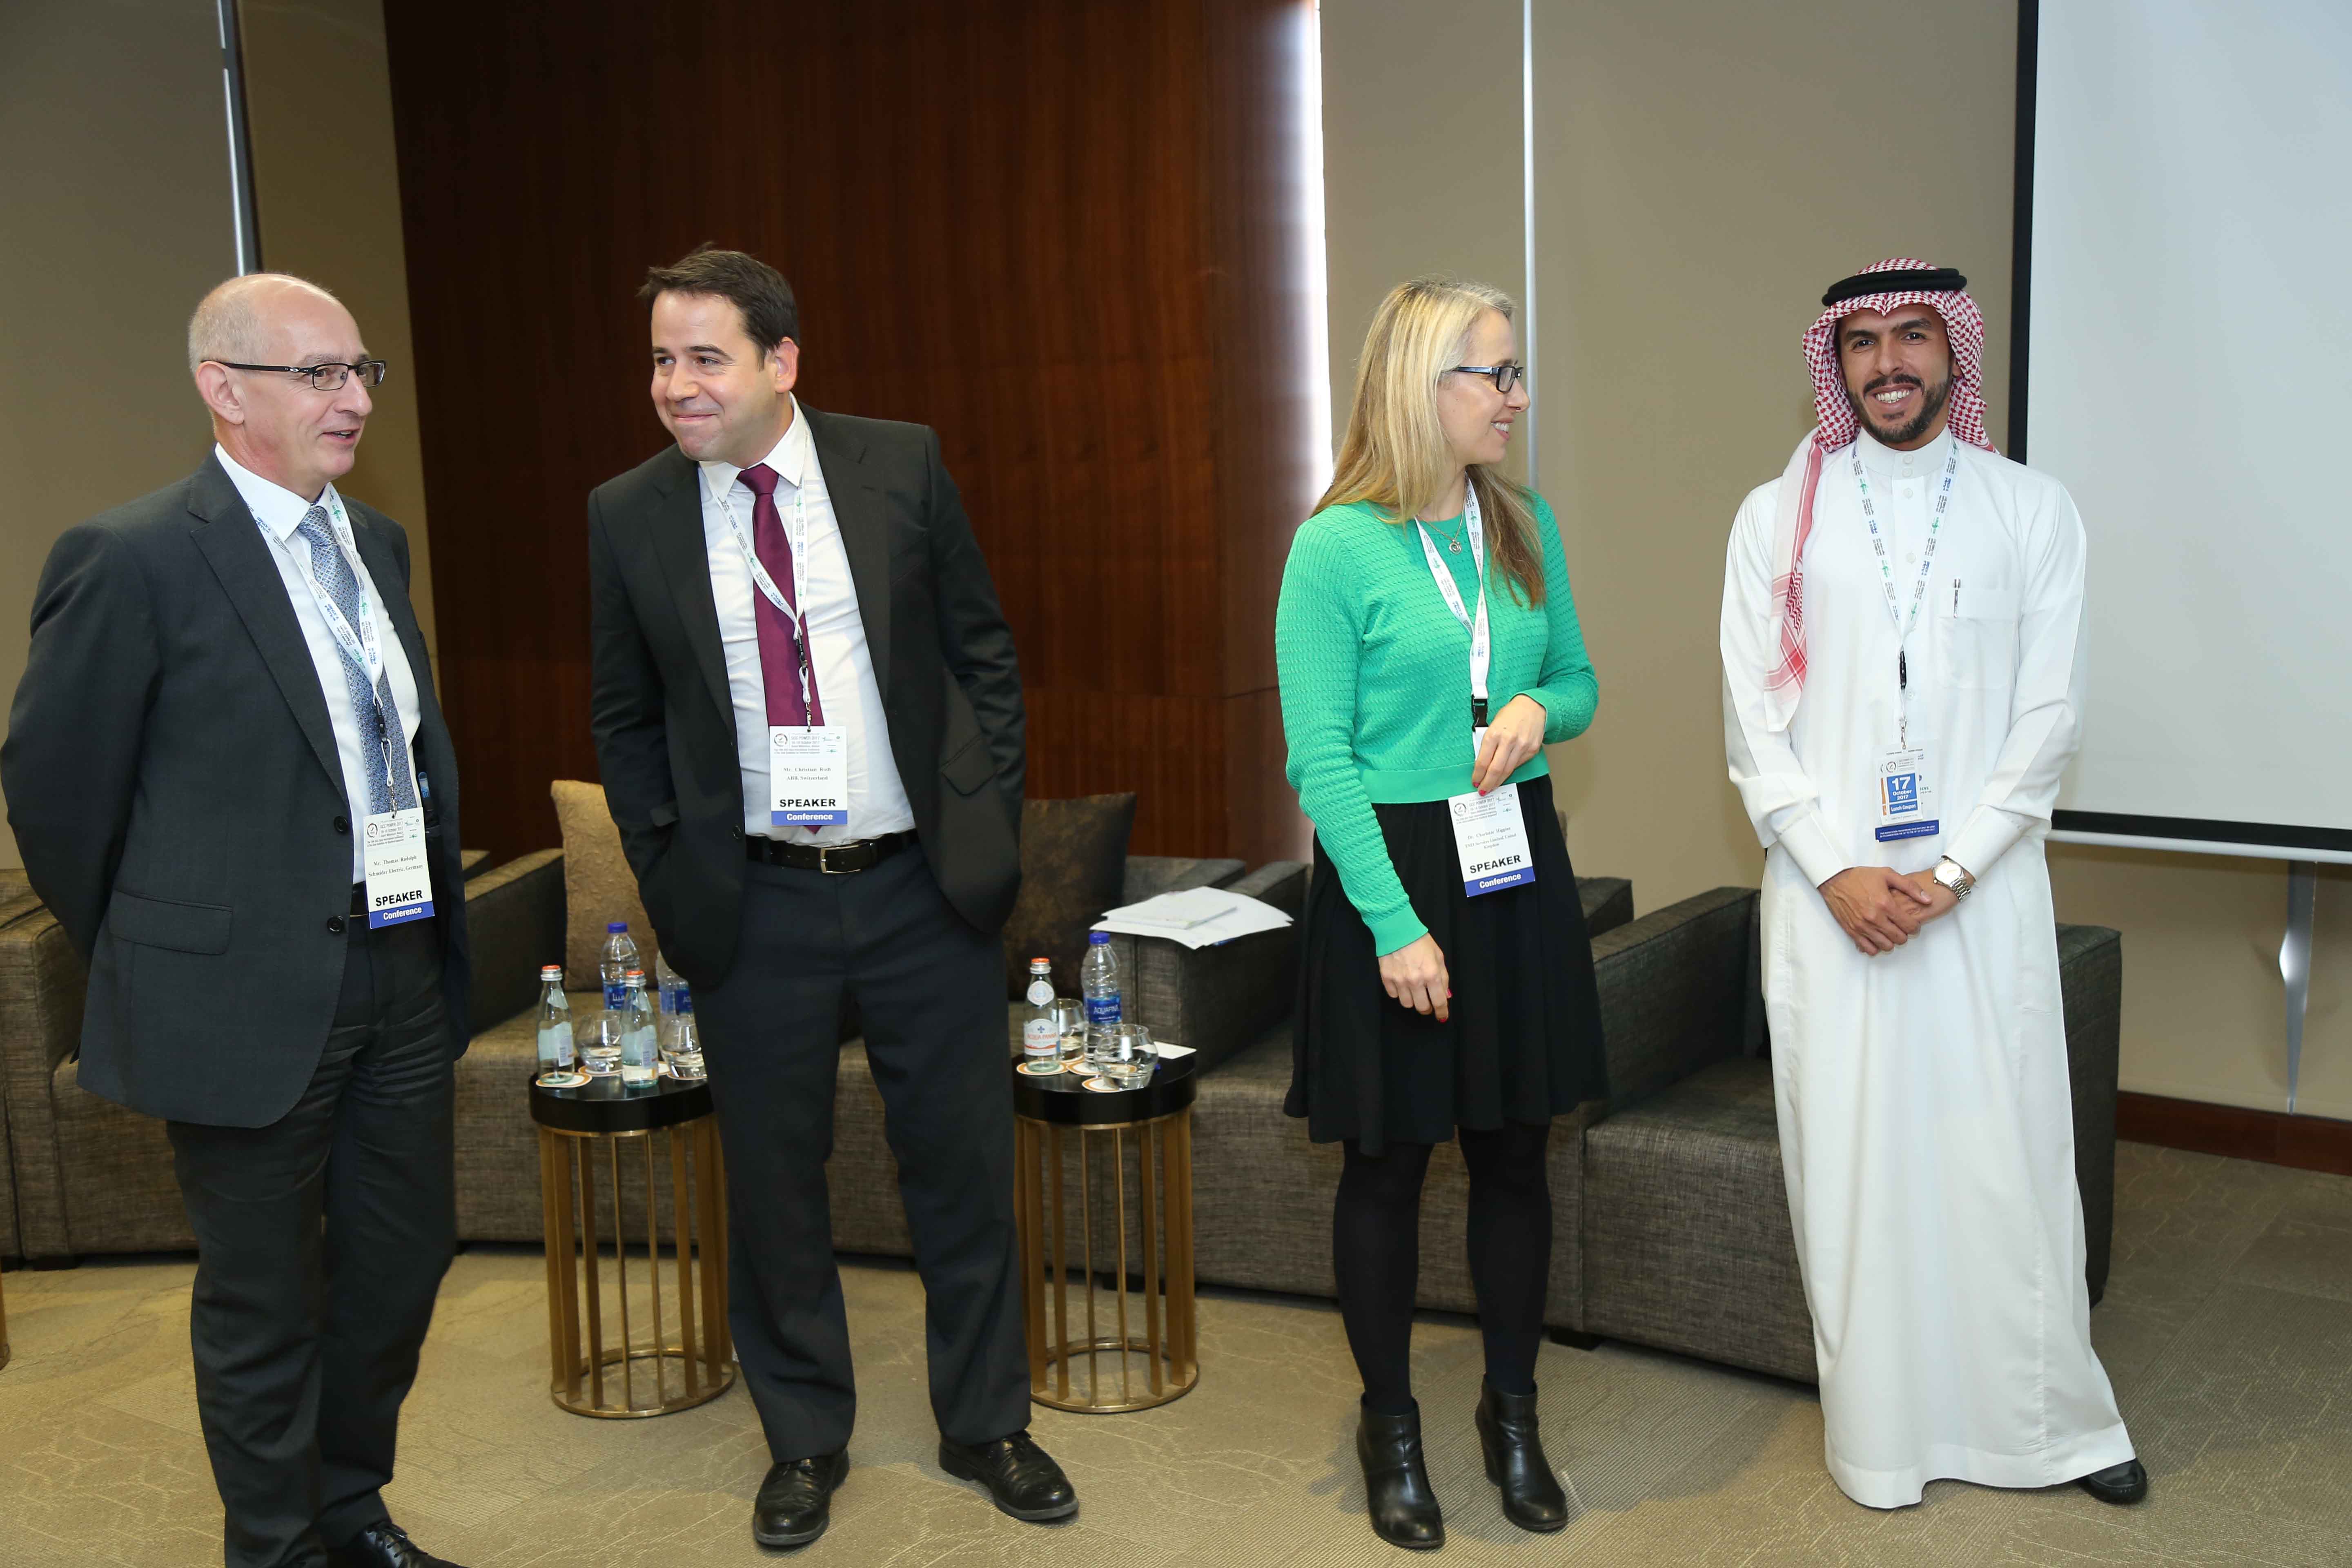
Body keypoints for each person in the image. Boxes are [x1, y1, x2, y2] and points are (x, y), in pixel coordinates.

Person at [586, 245, 1069, 1548]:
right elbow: (624, 718)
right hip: (755, 904)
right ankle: (804, 1438)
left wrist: (985, 817)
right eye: (661, 360)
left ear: (781, 361)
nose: (676, 385)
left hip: (920, 887)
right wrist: (668, 867)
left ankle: (987, 1423)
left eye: (706, 357)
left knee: (962, 1168)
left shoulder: (898, 463)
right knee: (774, 1187)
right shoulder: (627, 512)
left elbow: (982, 648)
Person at [2, 275, 472, 1568]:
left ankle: (350, 1509)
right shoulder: (133, 556)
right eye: (319, 373)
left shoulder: (375, 543)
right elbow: (58, 794)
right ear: (223, 389)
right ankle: (276, 1548)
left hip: (400, 964)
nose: (355, 397)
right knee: (264, 1298)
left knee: (398, 1264)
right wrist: (172, 949)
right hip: (239, 993)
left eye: (361, 370)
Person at [1718, 258, 2144, 1510]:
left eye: (1914, 335)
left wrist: (1951, 871)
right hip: (1828, 905)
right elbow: (1752, 724)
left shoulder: (2030, 509)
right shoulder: (1779, 516)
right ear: (1836, 362)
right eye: (1864, 342)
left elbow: (2050, 720)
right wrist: (1836, 871)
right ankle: (1884, 1441)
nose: (1889, 362)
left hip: (1984, 900)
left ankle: (2052, 1427)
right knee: (1856, 1172)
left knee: (2006, 1161)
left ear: (1955, 351)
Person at [1275, 276, 1607, 1550]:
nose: (1517, 396)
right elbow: (1321, 759)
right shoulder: (1335, 547)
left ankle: (1512, 1418)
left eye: (1517, 372)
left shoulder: (1523, 526)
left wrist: (1536, 711)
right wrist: (1393, 925)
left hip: (1511, 860)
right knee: (1389, 1165)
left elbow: (1577, 681)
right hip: (1393, 872)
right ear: (1424, 386)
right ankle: (1392, 1430)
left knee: (1517, 1152)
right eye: (1496, 374)